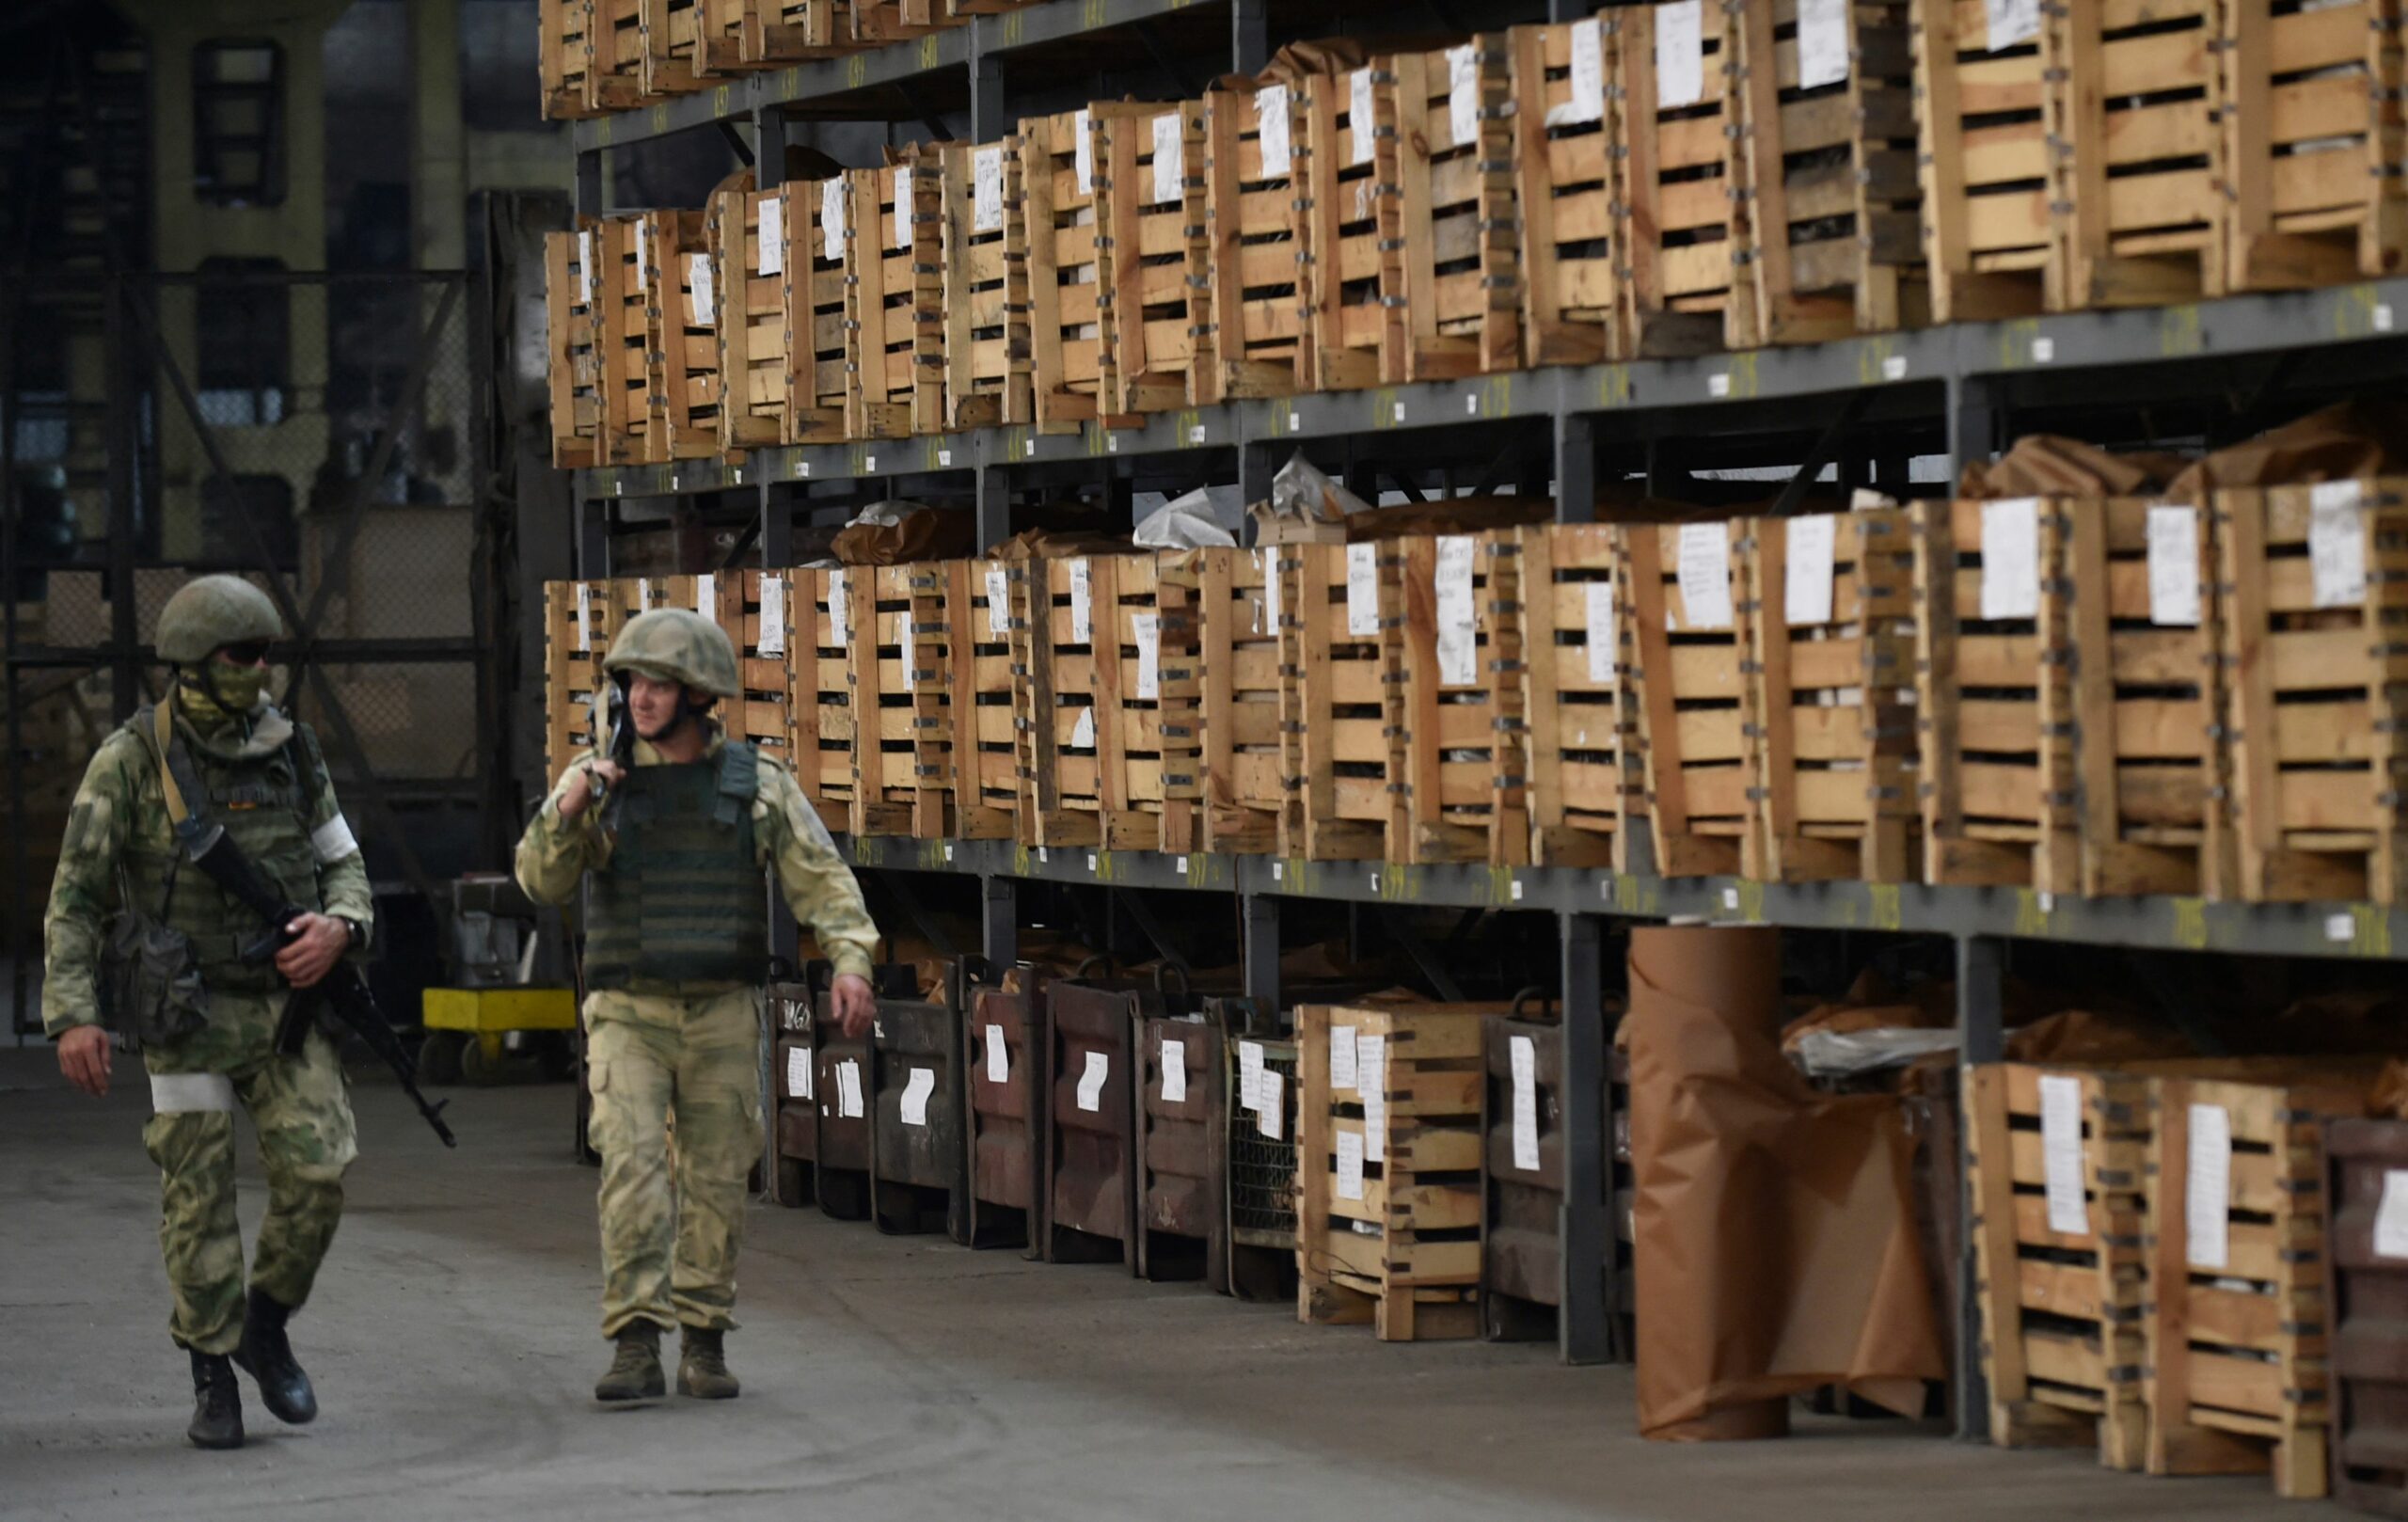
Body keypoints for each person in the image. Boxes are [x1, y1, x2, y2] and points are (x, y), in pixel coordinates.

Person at [515, 607, 879, 1404]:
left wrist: (851, 960)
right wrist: (567, 809)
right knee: (632, 1171)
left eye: (661, 683)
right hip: (628, 1013)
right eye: (633, 683)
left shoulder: (755, 784)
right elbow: (539, 882)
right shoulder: (599, 782)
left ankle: (704, 1338)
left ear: (700, 694)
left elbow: (822, 878)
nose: (642, 698)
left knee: (716, 1180)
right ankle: (635, 1339)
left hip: (720, 1010)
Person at [43, 575, 372, 1451]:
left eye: (266, 655)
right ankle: (212, 1370)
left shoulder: (294, 751)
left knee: (319, 1173)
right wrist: (73, 1014)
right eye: (242, 655)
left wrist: (341, 928)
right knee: (198, 1199)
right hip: (183, 1013)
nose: (260, 670)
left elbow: (343, 861)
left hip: (284, 1010)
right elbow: (75, 896)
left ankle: (264, 1325)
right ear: (192, 661)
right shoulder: (130, 761)